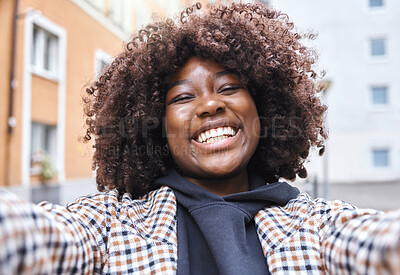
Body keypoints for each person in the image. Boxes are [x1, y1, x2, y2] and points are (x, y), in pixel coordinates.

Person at [1, 2, 400, 274]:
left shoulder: (315, 224)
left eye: (228, 88)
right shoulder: (110, 223)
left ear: (262, 108)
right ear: (156, 125)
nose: (209, 106)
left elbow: (380, 244)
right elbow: (22, 235)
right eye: (183, 97)